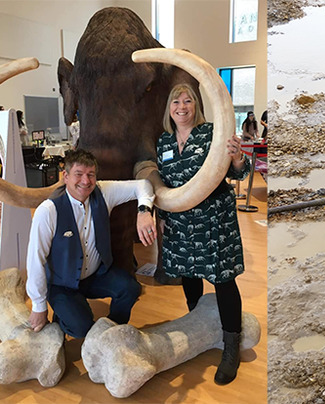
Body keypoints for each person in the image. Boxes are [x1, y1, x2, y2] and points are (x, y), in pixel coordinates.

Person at [156, 83, 250, 385]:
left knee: (223, 280)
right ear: (169, 109)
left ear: (196, 106)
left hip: (213, 222)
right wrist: (158, 213)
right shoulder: (164, 142)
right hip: (180, 223)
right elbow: (161, 182)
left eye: (188, 101)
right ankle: (197, 324)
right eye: (176, 102)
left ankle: (231, 345)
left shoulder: (212, 133)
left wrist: (237, 158)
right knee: (189, 276)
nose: (182, 107)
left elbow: (238, 172)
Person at [26, 149, 158, 338]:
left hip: (96, 276)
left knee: (130, 288)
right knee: (80, 328)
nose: (85, 181)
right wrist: (38, 306)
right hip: (62, 284)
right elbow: (35, 260)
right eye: (78, 174)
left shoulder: (103, 192)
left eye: (91, 175)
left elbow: (143, 185)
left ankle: (110, 331)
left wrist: (144, 211)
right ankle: (64, 316)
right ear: (66, 176)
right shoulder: (47, 211)